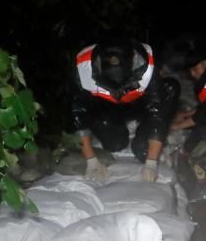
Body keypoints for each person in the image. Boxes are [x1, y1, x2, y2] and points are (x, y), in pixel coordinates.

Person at [68, 35, 180, 181]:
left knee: (144, 151)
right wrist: (90, 159)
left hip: (139, 104)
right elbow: (77, 112)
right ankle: (116, 130)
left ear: (133, 60)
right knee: (114, 144)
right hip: (106, 107)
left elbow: (156, 111)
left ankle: (143, 138)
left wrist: (151, 162)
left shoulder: (147, 68)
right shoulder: (82, 67)